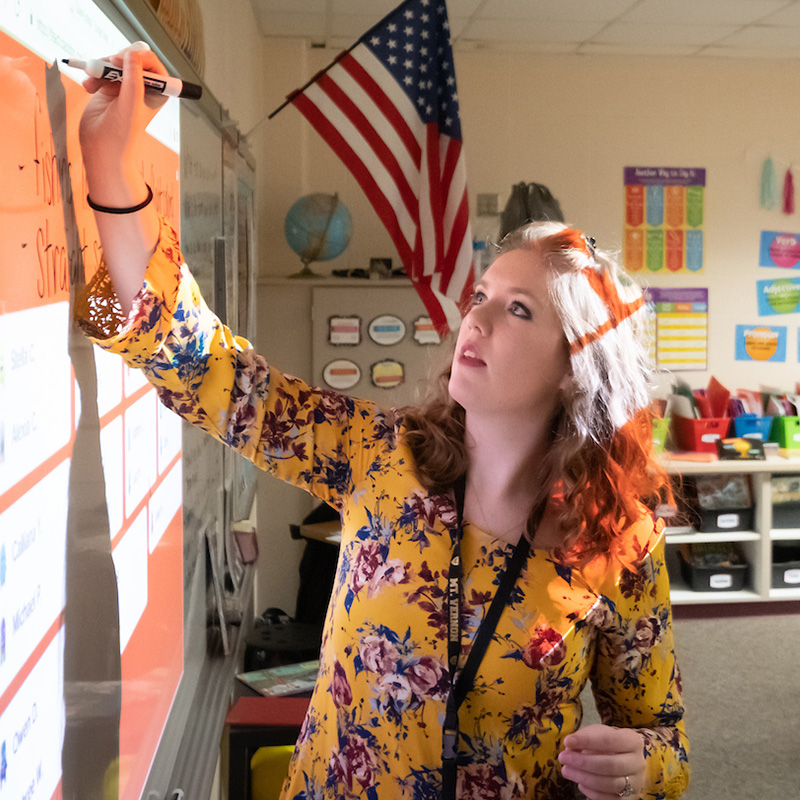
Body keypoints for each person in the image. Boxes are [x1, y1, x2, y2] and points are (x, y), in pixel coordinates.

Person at [76, 43, 689, 800]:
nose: (477, 320)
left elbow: (665, 737)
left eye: (518, 310)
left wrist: (641, 768)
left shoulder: (620, 542)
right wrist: (110, 167)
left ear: (574, 368)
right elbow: (206, 369)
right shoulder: (380, 455)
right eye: (481, 297)